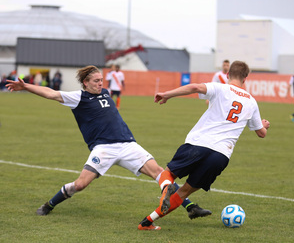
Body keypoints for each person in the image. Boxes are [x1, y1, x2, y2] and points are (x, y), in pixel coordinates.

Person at [6, 65, 210, 220]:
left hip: (128, 143)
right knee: (81, 184)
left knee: (159, 172)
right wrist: (26, 86)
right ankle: (49, 205)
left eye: (101, 80)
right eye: (95, 81)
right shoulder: (78, 97)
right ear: (85, 83)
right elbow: (51, 93)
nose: (100, 83)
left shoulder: (105, 92)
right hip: (103, 149)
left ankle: (190, 207)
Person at [138, 61, 270, 230]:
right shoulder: (252, 102)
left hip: (199, 143)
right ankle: (147, 222)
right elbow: (261, 133)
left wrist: (168, 94)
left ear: (228, 74)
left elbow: (195, 88)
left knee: (168, 173)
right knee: (184, 192)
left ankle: (166, 189)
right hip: (221, 155)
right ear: (246, 78)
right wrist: (264, 125)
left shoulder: (221, 88)